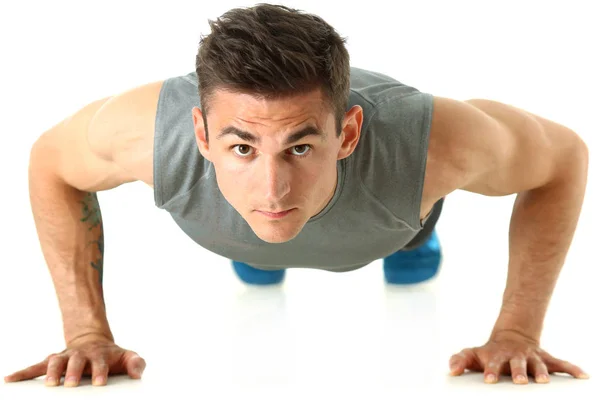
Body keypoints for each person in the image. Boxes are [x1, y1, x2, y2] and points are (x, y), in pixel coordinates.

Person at [4, 2, 590, 389]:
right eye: (242, 149)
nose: (273, 186)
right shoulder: (141, 134)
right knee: (260, 238)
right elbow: (50, 165)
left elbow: (563, 159)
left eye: (301, 148)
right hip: (232, 227)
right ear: (202, 136)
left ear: (349, 134)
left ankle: (413, 241)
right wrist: (86, 333)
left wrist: (517, 331)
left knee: (396, 219)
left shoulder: (436, 144)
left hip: (391, 219)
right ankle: (255, 249)